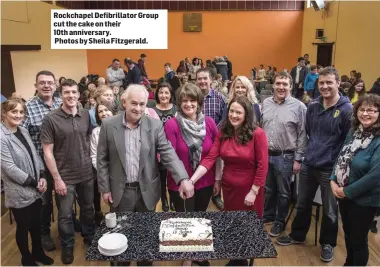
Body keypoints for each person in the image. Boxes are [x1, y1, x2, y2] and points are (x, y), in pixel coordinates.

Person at [96, 84, 194, 266]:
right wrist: (104, 188)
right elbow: (102, 159)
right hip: (120, 191)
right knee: (122, 237)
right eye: (134, 103)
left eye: (142, 104)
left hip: (147, 190)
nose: (138, 108)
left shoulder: (154, 125)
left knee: (146, 235)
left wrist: (183, 178)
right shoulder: (109, 125)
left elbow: (168, 153)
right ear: (124, 102)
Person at [276, 67, 353, 263]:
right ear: (317, 85)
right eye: (322, 83)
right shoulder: (312, 106)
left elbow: (347, 143)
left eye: (329, 82)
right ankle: (297, 235)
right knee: (302, 203)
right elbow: (309, 132)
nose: (325, 86)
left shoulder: (346, 110)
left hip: (330, 169)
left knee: (329, 210)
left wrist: (337, 169)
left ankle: (328, 243)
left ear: (337, 84)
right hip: (309, 164)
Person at [190, 96, 268, 266]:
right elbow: (211, 158)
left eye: (238, 112)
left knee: (247, 225)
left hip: (250, 189)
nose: (233, 115)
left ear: (246, 114)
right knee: (233, 223)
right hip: (229, 186)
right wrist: (192, 180)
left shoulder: (258, 134)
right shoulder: (223, 132)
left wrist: (254, 191)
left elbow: (263, 166)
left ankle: (244, 258)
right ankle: (237, 258)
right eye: (231, 111)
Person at [164, 83, 220, 267]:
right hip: (179, 184)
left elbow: (215, 154)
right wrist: (184, 180)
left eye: (192, 100)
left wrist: (217, 178)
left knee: (200, 217)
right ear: (179, 103)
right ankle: (187, 255)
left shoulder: (210, 123)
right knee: (185, 220)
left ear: (199, 102)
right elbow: (169, 154)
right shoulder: (172, 124)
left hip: (205, 181)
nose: (188, 104)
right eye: (184, 101)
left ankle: (197, 251)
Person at [41, 79, 95, 264]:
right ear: (60, 95)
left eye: (74, 92)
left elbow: (88, 140)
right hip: (65, 177)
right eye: (67, 92)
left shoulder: (86, 114)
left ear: (79, 95)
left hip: (87, 173)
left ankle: (89, 237)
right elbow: (47, 151)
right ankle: (68, 246)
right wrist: (57, 179)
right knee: (64, 215)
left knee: (88, 209)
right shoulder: (50, 119)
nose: (71, 95)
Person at [1, 98, 54, 266]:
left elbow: (35, 154)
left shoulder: (23, 130)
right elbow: (9, 167)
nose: (18, 115)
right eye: (13, 111)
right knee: (23, 228)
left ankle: (38, 252)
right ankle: (26, 258)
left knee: (36, 225)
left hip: (35, 188)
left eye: (21, 112)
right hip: (19, 191)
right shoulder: (2, 136)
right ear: (4, 113)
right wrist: (33, 182)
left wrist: (42, 174)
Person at [330, 94, 380, 266]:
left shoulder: (378, 139)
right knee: (349, 235)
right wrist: (332, 180)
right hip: (344, 195)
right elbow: (341, 157)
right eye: (362, 109)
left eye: (372, 110)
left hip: (364, 200)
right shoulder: (354, 132)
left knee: (359, 241)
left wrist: (346, 191)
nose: (366, 114)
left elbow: (375, 176)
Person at [21, 70, 66, 252]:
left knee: (66, 195)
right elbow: (22, 139)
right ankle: (43, 233)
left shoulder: (61, 103)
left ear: (55, 85)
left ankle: (68, 224)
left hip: (64, 161)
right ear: (36, 86)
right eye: (42, 83)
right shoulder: (28, 108)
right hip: (41, 164)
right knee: (45, 202)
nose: (46, 86)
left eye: (50, 82)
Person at [262, 71, 307, 237]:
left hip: (286, 156)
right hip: (266, 154)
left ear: (290, 86)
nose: (281, 87)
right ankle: (268, 215)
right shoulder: (265, 103)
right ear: (273, 85)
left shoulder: (299, 107)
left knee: (283, 192)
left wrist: (298, 159)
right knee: (268, 189)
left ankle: (280, 221)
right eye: (278, 83)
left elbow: (303, 134)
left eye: (284, 84)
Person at [196, 68, 227, 210]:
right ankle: (200, 192)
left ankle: (216, 195)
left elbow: (225, 118)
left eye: (205, 78)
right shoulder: (194, 97)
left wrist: (214, 130)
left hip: (216, 139)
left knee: (217, 168)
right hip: (195, 141)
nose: (202, 81)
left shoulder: (219, 98)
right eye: (199, 79)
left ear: (211, 80)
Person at [152, 83, 177, 211]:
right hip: (157, 150)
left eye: (166, 92)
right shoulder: (151, 109)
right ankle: (164, 200)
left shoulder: (176, 109)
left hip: (174, 149)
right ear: (157, 94)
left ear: (171, 95)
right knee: (162, 178)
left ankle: (173, 199)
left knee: (173, 175)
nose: (163, 95)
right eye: (161, 92)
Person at [90, 101, 115, 225]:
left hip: (121, 173)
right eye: (100, 111)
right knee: (111, 201)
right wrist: (102, 170)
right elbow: (95, 155)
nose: (104, 113)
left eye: (106, 110)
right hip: (104, 172)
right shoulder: (96, 132)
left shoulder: (121, 127)